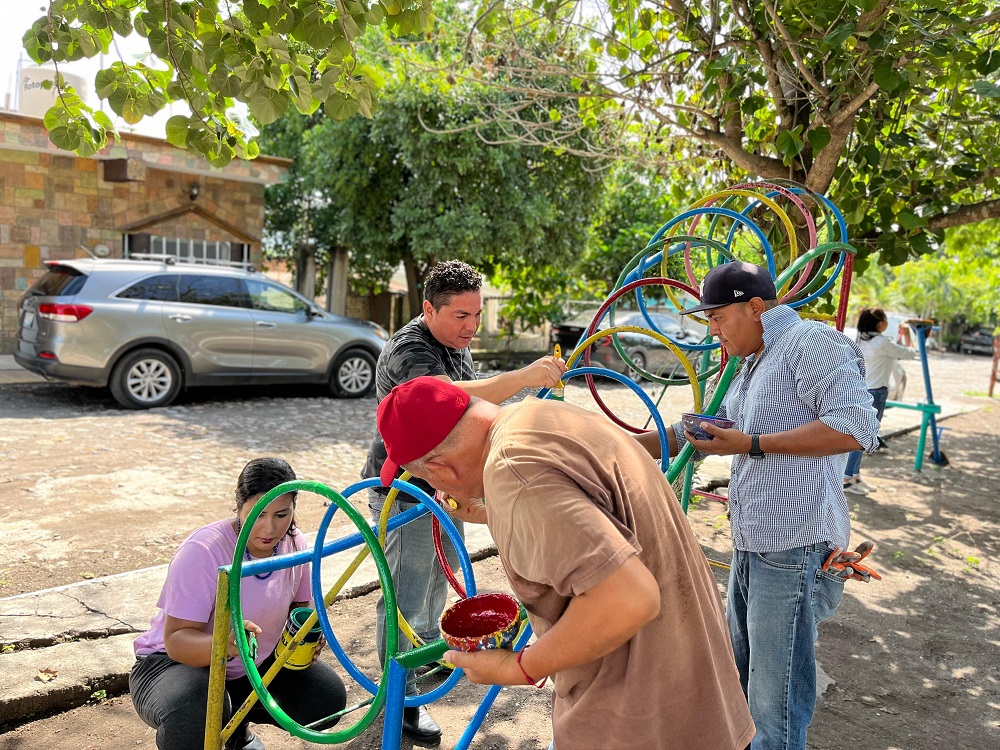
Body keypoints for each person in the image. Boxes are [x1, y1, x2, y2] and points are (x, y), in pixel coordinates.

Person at [375, 376, 756, 750]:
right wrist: (496, 513)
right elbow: (590, 512)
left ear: (441, 469)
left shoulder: (514, 474)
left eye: (424, 476)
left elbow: (630, 598)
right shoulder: (539, 417)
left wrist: (517, 667)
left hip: (634, 719)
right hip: (696, 699)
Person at [643, 262, 879, 750]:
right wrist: (609, 442)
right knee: (743, 684)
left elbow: (856, 428)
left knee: (775, 703)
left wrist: (750, 443)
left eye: (718, 317)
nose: (713, 330)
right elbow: (702, 429)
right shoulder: (750, 360)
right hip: (753, 544)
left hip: (794, 547)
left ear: (755, 307)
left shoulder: (810, 343)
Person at [362, 259, 567, 744]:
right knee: (406, 596)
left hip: (445, 486)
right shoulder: (410, 350)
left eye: (476, 315)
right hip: (404, 490)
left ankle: (426, 657)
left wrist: (532, 389)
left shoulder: (455, 344)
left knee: (439, 579)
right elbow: (450, 399)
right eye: (461, 316)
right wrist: (520, 377)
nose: (472, 326)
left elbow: (474, 414)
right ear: (429, 309)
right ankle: (398, 699)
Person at [130, 458, 347, 750]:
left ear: (294, 507)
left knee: (326, 700)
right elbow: (176, 641)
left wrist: (306, 638)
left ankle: (234, 729)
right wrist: (225, 642)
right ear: (239, 504)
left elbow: (300, 607)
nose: (269, 528)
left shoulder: (294, 543)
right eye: (258, 514)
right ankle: (209, 725)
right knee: (197, 714)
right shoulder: (204, 551)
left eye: (281, 514)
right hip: (172, 666)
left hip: (247, 664)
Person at [843, 309, 917, 494]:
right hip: (875, 393)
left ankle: (854, 475)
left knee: (860, 435)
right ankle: (847, 479)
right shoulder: (882, 342)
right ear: (880, 324)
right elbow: (910, 353)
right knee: (862, 437)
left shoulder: (860, 340)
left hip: (860, 390)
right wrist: (908, 334)